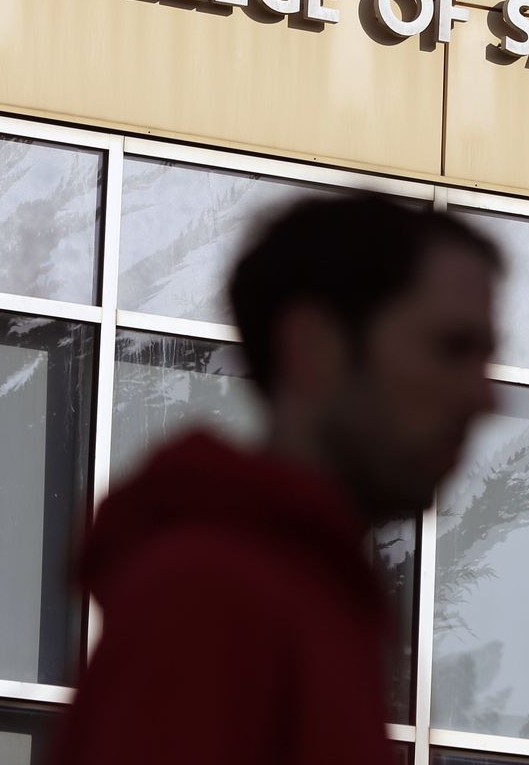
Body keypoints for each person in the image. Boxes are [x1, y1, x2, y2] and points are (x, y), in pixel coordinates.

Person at [50, 195, 504, 765]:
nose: (485, 397)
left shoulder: (313, 607)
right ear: (314, 347)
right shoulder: (212, 602)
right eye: (451, 349)